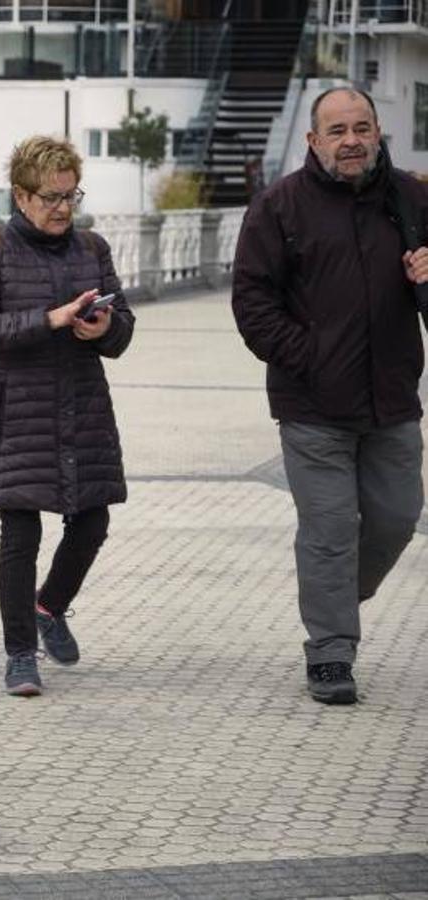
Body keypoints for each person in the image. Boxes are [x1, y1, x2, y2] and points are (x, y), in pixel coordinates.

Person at [231, 87, 427, 705]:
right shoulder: (278, 208)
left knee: (397, 519)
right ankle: (331, 652)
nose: (351, 140)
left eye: (361, 127)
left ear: (377, 133)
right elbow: (252, 304)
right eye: (337, 130)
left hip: (393, 399)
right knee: (330, 530)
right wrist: (309, 359)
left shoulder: (414, 198)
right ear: (313, 141)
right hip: (313, 405)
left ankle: (336, 594)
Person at [0, 135, 135, 698]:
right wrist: (50, 319)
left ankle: (49, 607)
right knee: (20, 533)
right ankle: (18, 656)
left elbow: (123, 326)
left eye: (69, 196)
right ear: (21, 196)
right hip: (14, 411)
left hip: (81, 405)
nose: (61, 208)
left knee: (93, 519)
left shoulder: (93, 248)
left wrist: (106, 328)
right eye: (50, 197)